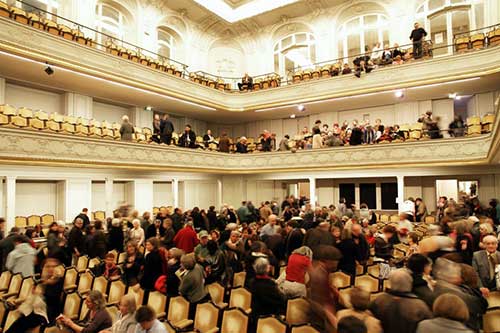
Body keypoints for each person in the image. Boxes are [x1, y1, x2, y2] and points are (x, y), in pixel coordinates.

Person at [307, 245, 342, 333]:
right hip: (320, 316)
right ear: (327, 261)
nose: (336, 263)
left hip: (322, 312)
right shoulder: (320, 276)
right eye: (335, 261)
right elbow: (321, 302)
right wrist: (332, 318)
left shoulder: (323, 271)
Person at [250, 257, 286, 324]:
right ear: (267, 269)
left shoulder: (252, 283)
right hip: (271, 318)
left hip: (256, 317)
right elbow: (280, 300)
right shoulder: (270, 285)